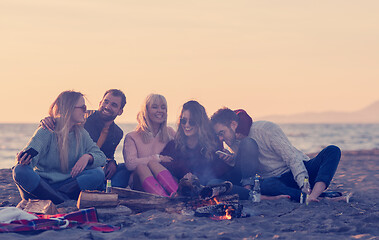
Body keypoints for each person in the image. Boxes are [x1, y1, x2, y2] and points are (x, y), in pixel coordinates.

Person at [211, 107, 341, 202]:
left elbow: (292, 158)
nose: (221, 138)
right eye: (218, 135)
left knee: (332, 150)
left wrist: (304, 185)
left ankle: (313, 195)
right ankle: (319, 197)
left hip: (300, 170)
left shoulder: (265, 129)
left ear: (233, 125)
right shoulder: (234, 141)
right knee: (267, 185)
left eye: (222, 133)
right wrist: (232, 160)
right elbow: (248, 165)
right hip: (276, 181)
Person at [13, 91, 107, 204]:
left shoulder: (81, 133)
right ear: (69, 108)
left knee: (98, 173)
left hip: (66, 184)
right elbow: (30, 159)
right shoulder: (47, 130)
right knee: (19, 170)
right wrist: (24, 160)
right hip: (42, 184)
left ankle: (55, 198)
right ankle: (61, 199)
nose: (85, 111)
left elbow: (102, 157)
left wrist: (88, 156)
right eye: (82, 107)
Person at [40, 89, 130, 188]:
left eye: (114, 105)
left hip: (95, 164)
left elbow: (107, 155)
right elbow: (63, 118)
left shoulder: (117, 132)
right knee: (97, 173)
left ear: (120, 111)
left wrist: (112, 162)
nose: (107, 107)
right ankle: (100, 187)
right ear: (100, 103)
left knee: (126, 168)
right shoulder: (83, 118)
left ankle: (105, 188)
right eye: (106, 101)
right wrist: (49, 119)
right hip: (77, 167)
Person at [160, 101, 232, 189]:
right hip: (185, 192)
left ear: (200, 123)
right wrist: (182, 170)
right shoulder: (174, 145)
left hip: (212, 188)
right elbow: (161, 164)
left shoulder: (213, 142)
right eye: (183, 120)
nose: (186, 125)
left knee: (212, 182)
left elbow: (220, 171)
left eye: (192, 122)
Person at [123, 94, 177, 196]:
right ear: (146, 110)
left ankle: (177, 195)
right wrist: (158, 158)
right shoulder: (132, 137)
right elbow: (130, 164)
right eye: (155, 107)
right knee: (142, 166)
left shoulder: (170, 132)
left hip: (164, 180)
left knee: (154, 164)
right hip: (140, 183)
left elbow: (182, 151)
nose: (160, 111)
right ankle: (164, 199)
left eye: (163, 107)